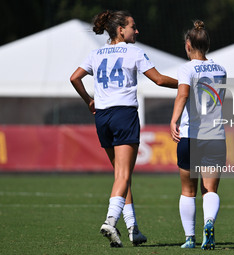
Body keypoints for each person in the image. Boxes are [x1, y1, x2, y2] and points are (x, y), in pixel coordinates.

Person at [70, 10, 177, 248]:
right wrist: (185, 85)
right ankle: (110, 221)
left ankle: (133, 228)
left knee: (121, 175)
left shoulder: (95, 53)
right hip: (124, 114)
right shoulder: (134, 52)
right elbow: (158, 80)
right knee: (124, 175)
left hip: (103, 118)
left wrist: (89, 101)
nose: (136, 31)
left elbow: (74, 78)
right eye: (133, 26)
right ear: (121, 30)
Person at [170, 20, 227, 250]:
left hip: (190, 135)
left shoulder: (186, 69)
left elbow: (183, 95)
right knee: (210, 190)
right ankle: (209, 223)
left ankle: (189, 238)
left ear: (188, 45)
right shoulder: (221, 69)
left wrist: (173, 119)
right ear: (208, 44)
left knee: (188, 190)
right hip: (215, 136)